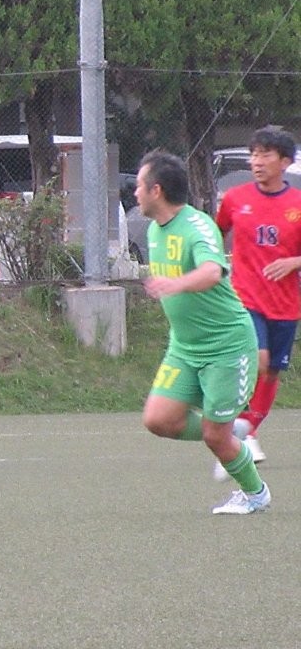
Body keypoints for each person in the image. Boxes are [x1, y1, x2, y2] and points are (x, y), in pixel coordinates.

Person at [136, 150, 269, 514]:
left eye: (139, 185)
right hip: (184, 348)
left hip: (227, 347)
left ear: (157, 190)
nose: (135, 192)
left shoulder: (197, 226)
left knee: (214, 435)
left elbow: (212, 271)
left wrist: (175, 284)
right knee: (158, 420)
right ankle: (231, 432)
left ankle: (255, 495)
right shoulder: (154, 228)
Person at [212, 126, 301, 479]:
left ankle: (247, 431)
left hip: (285, 303)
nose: (257, 161)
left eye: (265, 154)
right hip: (244, 298)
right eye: (253, 154)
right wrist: (212, 266)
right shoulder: (235, 198)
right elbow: (214, 232)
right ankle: (236, 432)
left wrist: (294, 262)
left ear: (285, 162)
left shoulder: (297, 204)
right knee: (258, 360)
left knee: (272, 370)